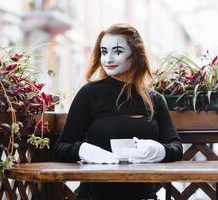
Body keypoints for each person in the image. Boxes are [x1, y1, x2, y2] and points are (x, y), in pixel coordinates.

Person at [53, 23, 183, 200]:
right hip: (96, 196)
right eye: (104, 52)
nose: (108, 59)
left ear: (135, 55)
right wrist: (86, 151)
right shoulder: (89, 93)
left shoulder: (154, 99)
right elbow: (62, 147)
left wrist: (158, 151)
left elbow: (175, 147)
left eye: (117, 51)